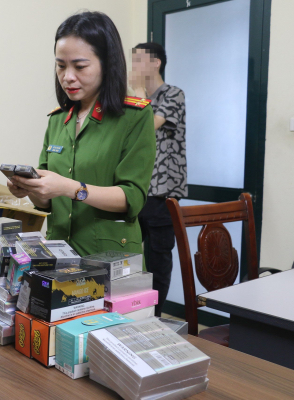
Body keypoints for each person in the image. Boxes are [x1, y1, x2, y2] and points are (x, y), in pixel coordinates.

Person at [7, 12, 156, 259]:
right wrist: (30, 188)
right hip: (59, 256)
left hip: (110, 257)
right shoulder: (58, 119)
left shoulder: (134, 116)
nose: (68, 77)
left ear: (107, 63)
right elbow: (46, 201)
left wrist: (69, 188)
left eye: (80, 66)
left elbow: (132, 197)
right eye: (61, 65)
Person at [130, 42, 187, 316]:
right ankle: (131, 312)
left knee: (158, 261)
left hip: (163, 194)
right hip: (136, 189)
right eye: (132, 61)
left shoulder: (173, 94)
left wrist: (139, 95)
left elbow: (148, 127)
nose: (134, 66)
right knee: (127, 258)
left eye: (139, 60)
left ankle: (155, 317)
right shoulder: (133, 100)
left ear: (156, 63)